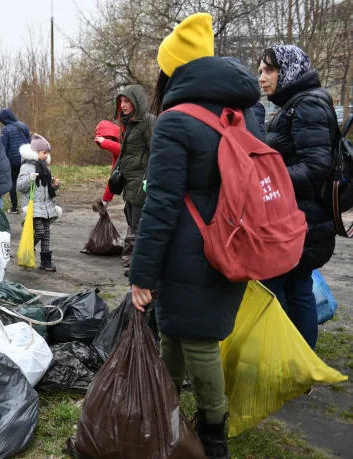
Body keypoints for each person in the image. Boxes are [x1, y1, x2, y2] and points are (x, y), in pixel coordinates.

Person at [128, 13, 264, 458]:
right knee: (177, 333)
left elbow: (162, 205)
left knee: (198, 342)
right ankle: (167, 414)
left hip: (190, 251)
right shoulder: (242, 113)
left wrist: (141, 275)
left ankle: (209, 435)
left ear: (174, 68)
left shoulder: (175, 121)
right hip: (233, 243)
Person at [258, 45, 337, 350]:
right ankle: (296, 363)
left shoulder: (307, 105)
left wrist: (264, 182)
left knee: (285, 288)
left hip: (303, 218)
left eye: (269, 70)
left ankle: (288, 363)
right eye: (262, 70)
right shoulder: (295, 103)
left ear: (288, 70)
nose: (261, 77)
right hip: (300, 217)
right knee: (295, 287)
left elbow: (317, 166)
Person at [115, 85, 156, 276]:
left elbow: (155, 150)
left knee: (137, 224)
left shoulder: (147, 121)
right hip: (129, 180)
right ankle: (132, 262)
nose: (122, 105)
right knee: (131, 219)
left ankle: (133, 265)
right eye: (121, 101)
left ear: (136, 102)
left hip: (141, 180)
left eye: (127, 101)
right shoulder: (128, 123)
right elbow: (125, 153)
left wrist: (149, 178)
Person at [16, 134, 62, 271]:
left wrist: (55, 185)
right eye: (44, 152)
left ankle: (45, 261)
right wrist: (29, 179)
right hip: (33, 207)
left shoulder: (46, 168)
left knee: (46, 233)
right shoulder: (25, 168)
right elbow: (19, 186)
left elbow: (48, 188)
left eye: (47, 153)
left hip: (46, 206)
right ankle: (27, 248)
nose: (46, 155)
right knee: (40, 232)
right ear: (35, 152)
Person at [0, 107, 31, 214]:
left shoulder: (5, 130)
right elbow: (30, 143)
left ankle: (14, 207)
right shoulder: (23, 126)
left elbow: (3, 148)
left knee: (12, 182)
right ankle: (28, 205)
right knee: (26, 181)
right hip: (25, 159)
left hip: (12, 161)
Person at [93, 120, 123, 211]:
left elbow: (126, 150)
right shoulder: (116, 154)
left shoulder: (125, 136)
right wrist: (105, 201)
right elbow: (113, 178)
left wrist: (105, 142)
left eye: (105, 138)